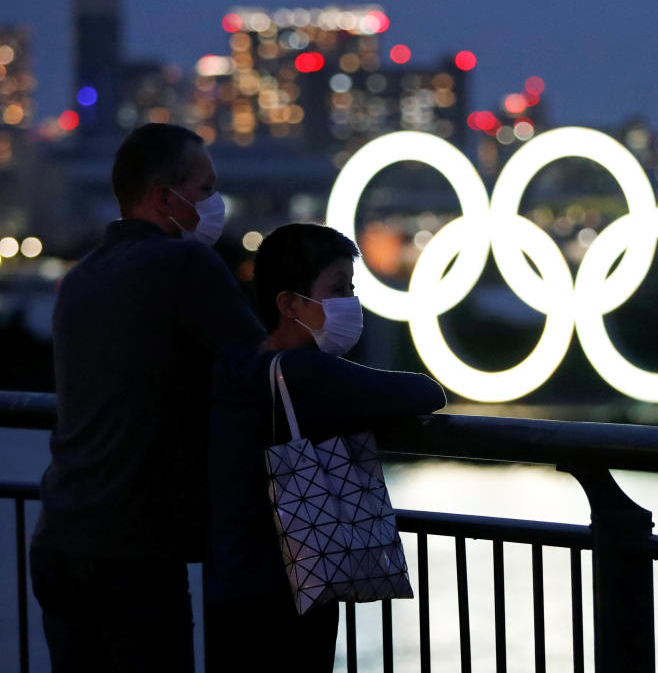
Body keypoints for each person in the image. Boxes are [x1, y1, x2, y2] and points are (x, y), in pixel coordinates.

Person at [30, 123, 266, 672]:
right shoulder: (183, 263)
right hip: (133, 552)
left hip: (60, 538)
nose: (215, 203)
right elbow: (264, 369)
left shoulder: (82, 276)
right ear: (164, 197)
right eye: (205, 190)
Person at [204, 223, 446, 672]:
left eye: (351, 289)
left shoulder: (236, 365)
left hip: (228, 584)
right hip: (293, 585)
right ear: (290, 304)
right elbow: (426, 393)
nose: (349, 304)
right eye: (337, 289)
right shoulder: (305, 372)